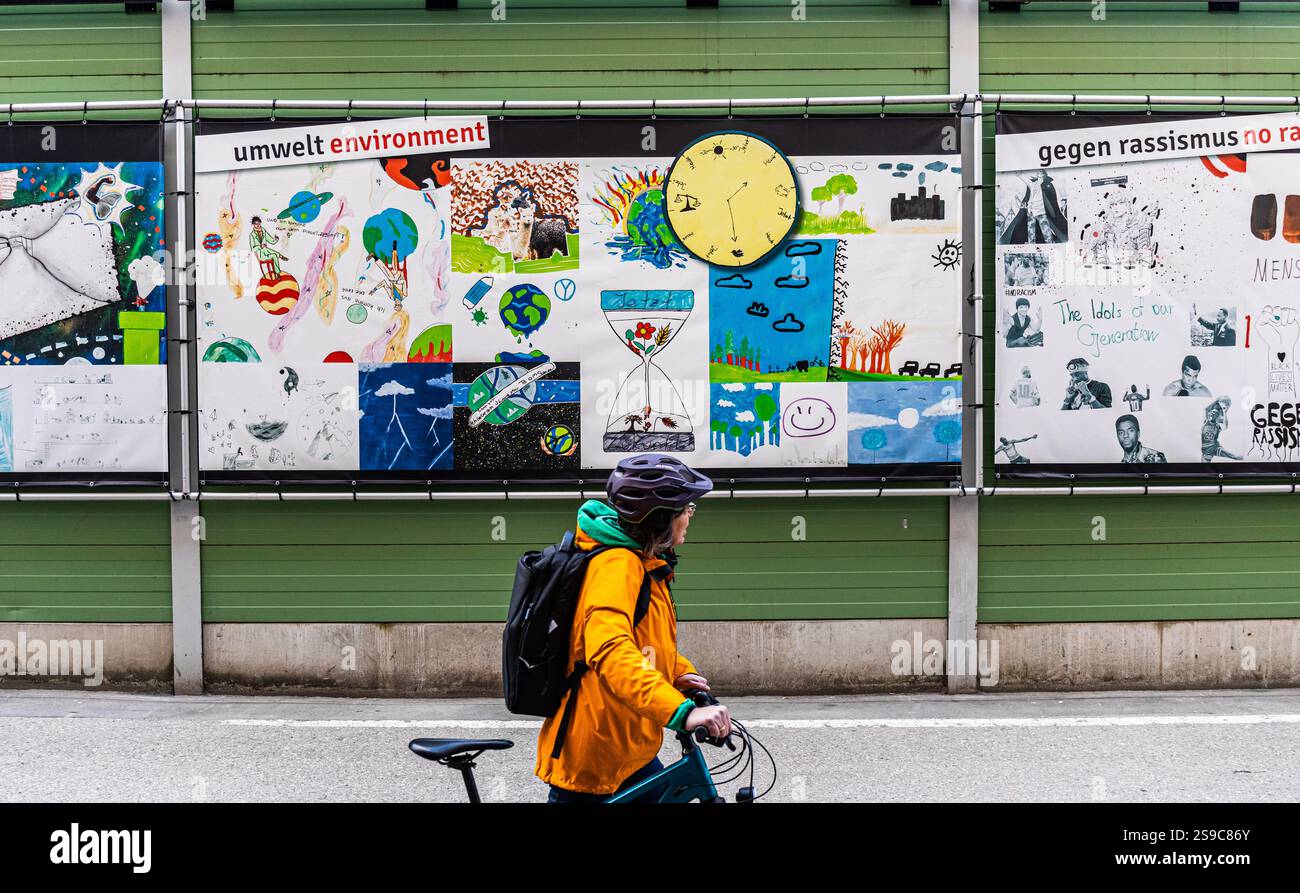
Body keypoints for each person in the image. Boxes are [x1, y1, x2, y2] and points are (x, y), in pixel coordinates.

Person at [536, 454, 730, 802]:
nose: (690, 515)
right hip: (598, 754)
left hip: (627, 746)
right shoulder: (617, 565)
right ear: (660, 519)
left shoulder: (641, 561)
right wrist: (680, 711)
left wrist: (677, 673)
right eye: (686, 508)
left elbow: (645, 642)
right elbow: (611, 652)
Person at [1202, 396, 1242, 461]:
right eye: (1212, 412)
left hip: (1214, 447)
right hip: (1206, 450)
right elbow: (1206, 409)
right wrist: (1217, 400)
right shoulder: (1205, 421)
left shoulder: (1217, 425)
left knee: (1236, 457)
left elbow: (1225, 426)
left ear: (1217, 417)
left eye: (1215, 413)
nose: (1212, 413)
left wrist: (1224, 412)